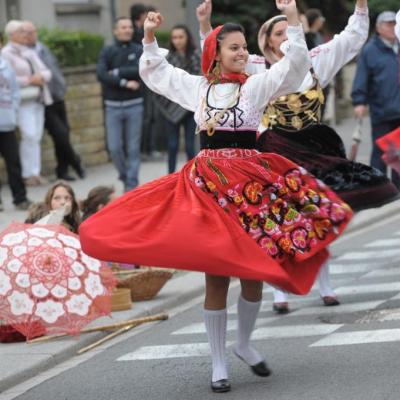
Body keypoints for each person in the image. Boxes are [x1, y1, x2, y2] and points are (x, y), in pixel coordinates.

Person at [80, 2, 353, 392]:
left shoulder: (256, 86)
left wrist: (293, 20)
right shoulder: (199, 89)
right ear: (216, 54)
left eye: (244, 47)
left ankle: (243, 343)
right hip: (210, 192)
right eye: (235, 48)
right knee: (217, 277)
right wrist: (150, 36)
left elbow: (294, 67)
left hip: (252, 190)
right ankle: (219, 363)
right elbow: (159, 72)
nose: (243, 53)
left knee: (256, 274)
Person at [197, 0, 399, 314]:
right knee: (278, 219)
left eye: (288, 30)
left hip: (314, 145)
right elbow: (217, 56)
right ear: (268, 41)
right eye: (278, 33)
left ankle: (325, 284)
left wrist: (361, 5)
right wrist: (205, 26)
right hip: (276, 149)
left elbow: (350, 39)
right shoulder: (256, 67)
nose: (286, 37)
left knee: (317, 213)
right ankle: (280, 289)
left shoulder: (314, 61)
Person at [23, 21, 85, 182]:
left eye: (33, 31)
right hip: (43, 101)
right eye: (27, 32)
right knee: (60, 134)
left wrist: (62, 87)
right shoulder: (23, 54)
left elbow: (54, 70)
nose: (31, 35)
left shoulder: (43, 48)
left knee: (64, 134)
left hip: (57, 96)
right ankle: (76, 162)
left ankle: (62, 171)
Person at [352, 10, 400, 190]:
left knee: (398, 152)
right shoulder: (370, 50)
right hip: (382, 110)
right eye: (388, 24)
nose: (392, 27)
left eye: (394, 24)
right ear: (378, 28)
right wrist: (359, 101)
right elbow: (361, 77)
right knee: (381, 151)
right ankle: (378, 188)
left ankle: (397, 188)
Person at [2, 20, 52, 187]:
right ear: (12, 35)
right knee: (28, 135)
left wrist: (41, 77)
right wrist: (30, 79)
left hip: (37, 99)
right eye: (21, 32)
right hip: (22, 102)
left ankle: (35, 172)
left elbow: (46, 71)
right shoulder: (7, 53)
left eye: (26, 32)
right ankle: (27, 174)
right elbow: (9, 78)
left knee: (36, 136)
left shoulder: (30, 51)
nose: (26, 35)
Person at [97, 17, 144, 192]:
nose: (127, 30)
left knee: (133, 148)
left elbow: (141, 71)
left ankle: (131, 186)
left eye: (130, 27)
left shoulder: (139, 50)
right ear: (115, 31)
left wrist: (117, 72)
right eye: (123, 27)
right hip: (112, 107)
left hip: (135, 105)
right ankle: (125, 176)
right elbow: (101, 75)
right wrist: (124, 82)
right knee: (114, 148)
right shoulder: (107, 51)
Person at [152, 24, 200, 173]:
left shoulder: (195, 56)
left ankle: (192, 176)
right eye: (174, 37)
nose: (177, 41)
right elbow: (161, 81)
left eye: (181, 37)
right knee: (172, 145)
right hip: (170, 106)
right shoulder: (166, 59)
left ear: (187, 38)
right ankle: (171, 176)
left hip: (190, 106)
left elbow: (198, 80)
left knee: (190, 146)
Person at [0, 32, 32, 211]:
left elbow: (15, 92)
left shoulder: (6, 67)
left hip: (7, 123)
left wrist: (12, 111)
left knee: (14, 163)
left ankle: (20, 198)